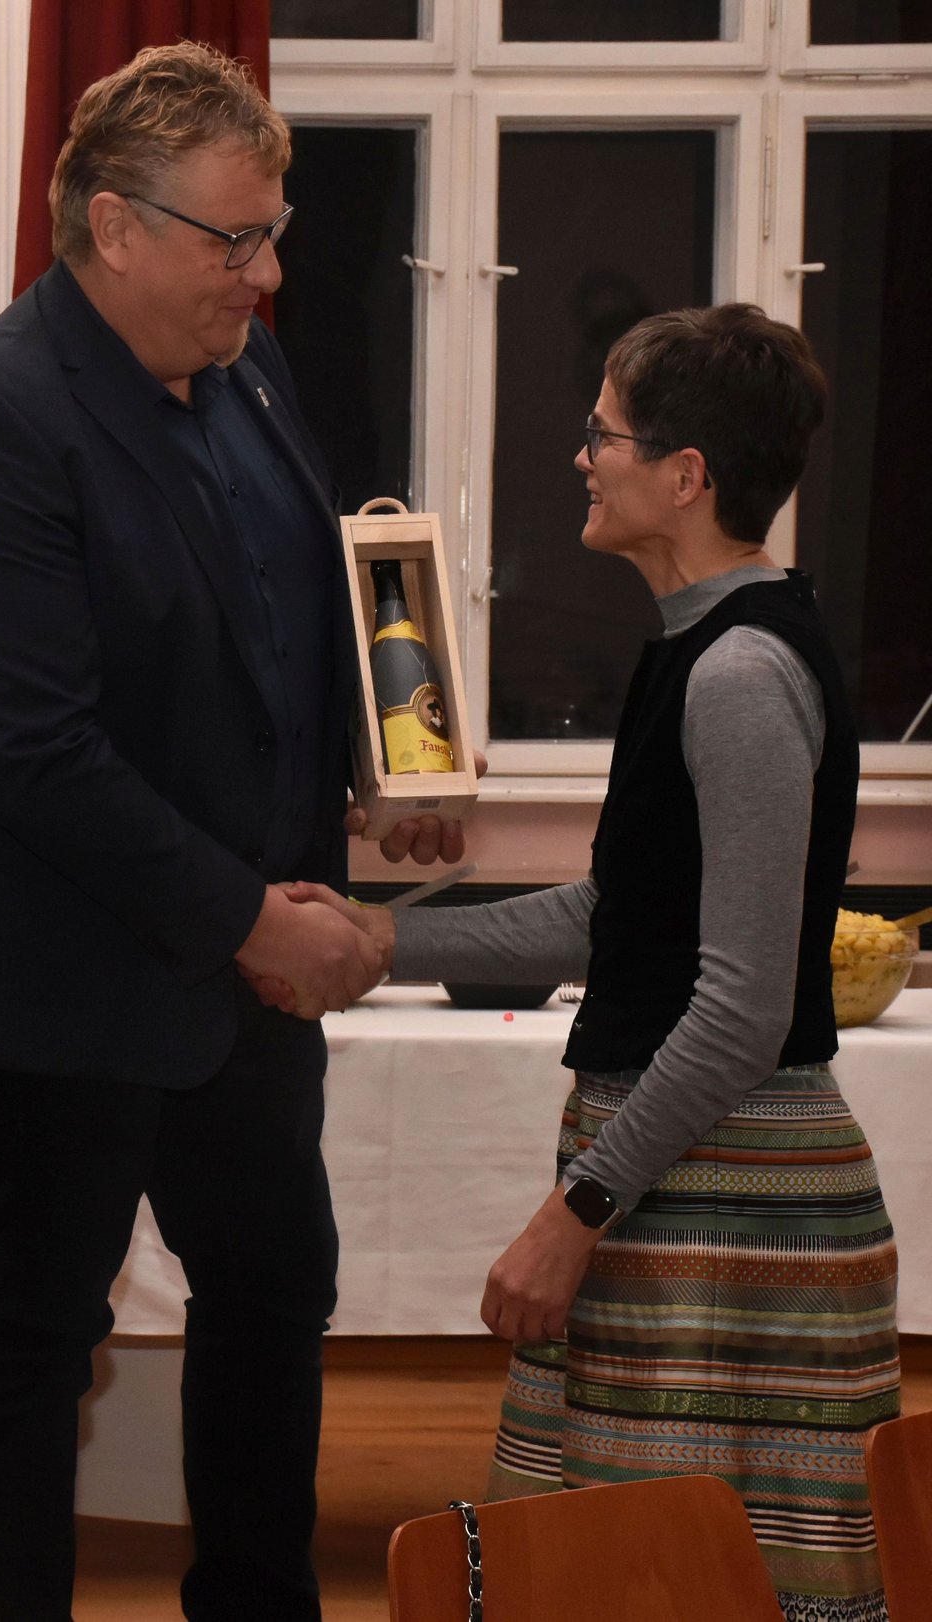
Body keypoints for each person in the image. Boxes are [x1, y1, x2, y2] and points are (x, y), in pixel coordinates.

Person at [0, 42, 461, 1622]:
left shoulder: (245, 372)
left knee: (273, 1296)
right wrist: (258, 920)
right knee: (34, 1333)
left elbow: (281, 619)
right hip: (70, 978)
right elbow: (36, 752)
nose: (266, 276)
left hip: (244, 972)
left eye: (274, 236)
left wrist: (378, 772)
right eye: (237, 240)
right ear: (114, 225)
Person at [302, 305, 895, 1622]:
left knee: (681, 1579)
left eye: (603, 434)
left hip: (735, 1206)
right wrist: (380, 937)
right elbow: (620, 917)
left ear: (686, 474)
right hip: (692, 1188)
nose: (581, 457)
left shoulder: (739, 671)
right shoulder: (703, 644)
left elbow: (740, 1005)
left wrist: (571, 1214)